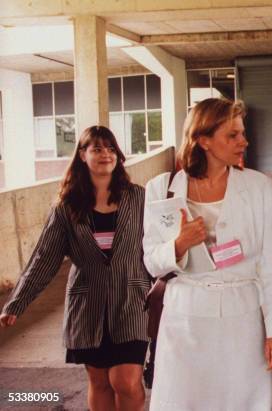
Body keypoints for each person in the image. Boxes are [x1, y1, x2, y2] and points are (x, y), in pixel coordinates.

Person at [143, 98, 272, 410]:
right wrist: (178, 245)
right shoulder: (161, 188)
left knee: (243, 402)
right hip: (184, 322)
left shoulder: (257, 186)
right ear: (203, 139)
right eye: (232, 135)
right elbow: (152, 262)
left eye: (242, 133)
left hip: (242, 323)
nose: (243, 142)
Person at [0, 126, 149, 411]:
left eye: (110, 149)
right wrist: (17, 302)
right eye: (97, 149)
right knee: (100, 381)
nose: (105, 154)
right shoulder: (67, 208)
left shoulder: (139, 198)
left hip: (131, 303)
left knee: (126, 380)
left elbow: (156, 246)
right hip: (88, 307)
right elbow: (44, 259)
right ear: (82, 155)